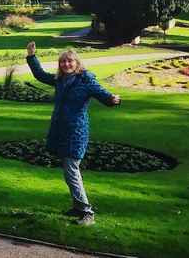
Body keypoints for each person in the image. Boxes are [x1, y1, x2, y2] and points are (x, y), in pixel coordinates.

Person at [25, 41, 121, 226]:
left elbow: (102, 94)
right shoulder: (60, 80)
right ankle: (77, 207)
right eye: (63, 62)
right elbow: (40, 75)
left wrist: (112, 99)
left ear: (77, 63)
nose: (66, 64)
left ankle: (87, 212)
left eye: (70, 61)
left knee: (71, 171)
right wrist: (31, 56)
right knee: (69, 171)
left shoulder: (86, 80)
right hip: (61, 130)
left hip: (76, 132)